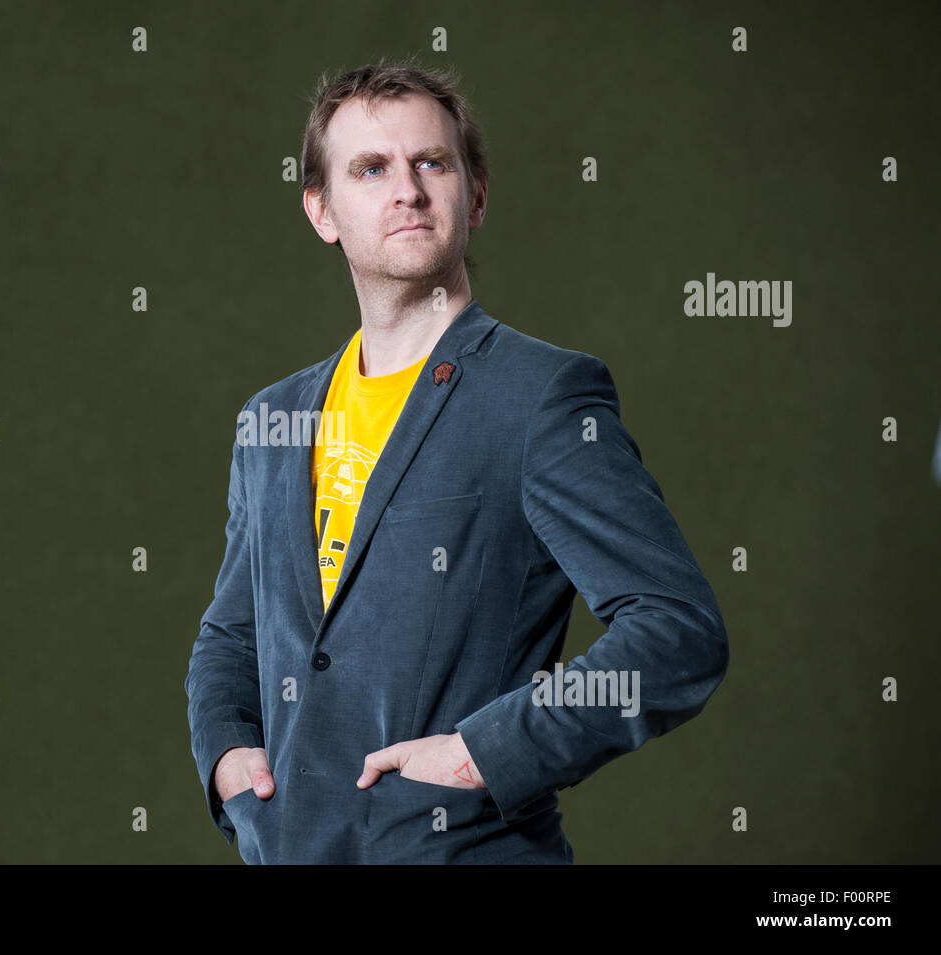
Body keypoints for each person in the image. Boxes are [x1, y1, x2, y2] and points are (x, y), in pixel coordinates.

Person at [184, 56, 729, 864]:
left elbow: (677, 630)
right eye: (370, 169)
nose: (405, 189)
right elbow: (233, 633)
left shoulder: (541, 397)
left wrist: (488, 750)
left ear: (474, 195)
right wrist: (229, 757)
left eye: (431, 162)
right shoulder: (273, 419)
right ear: (322, 210)